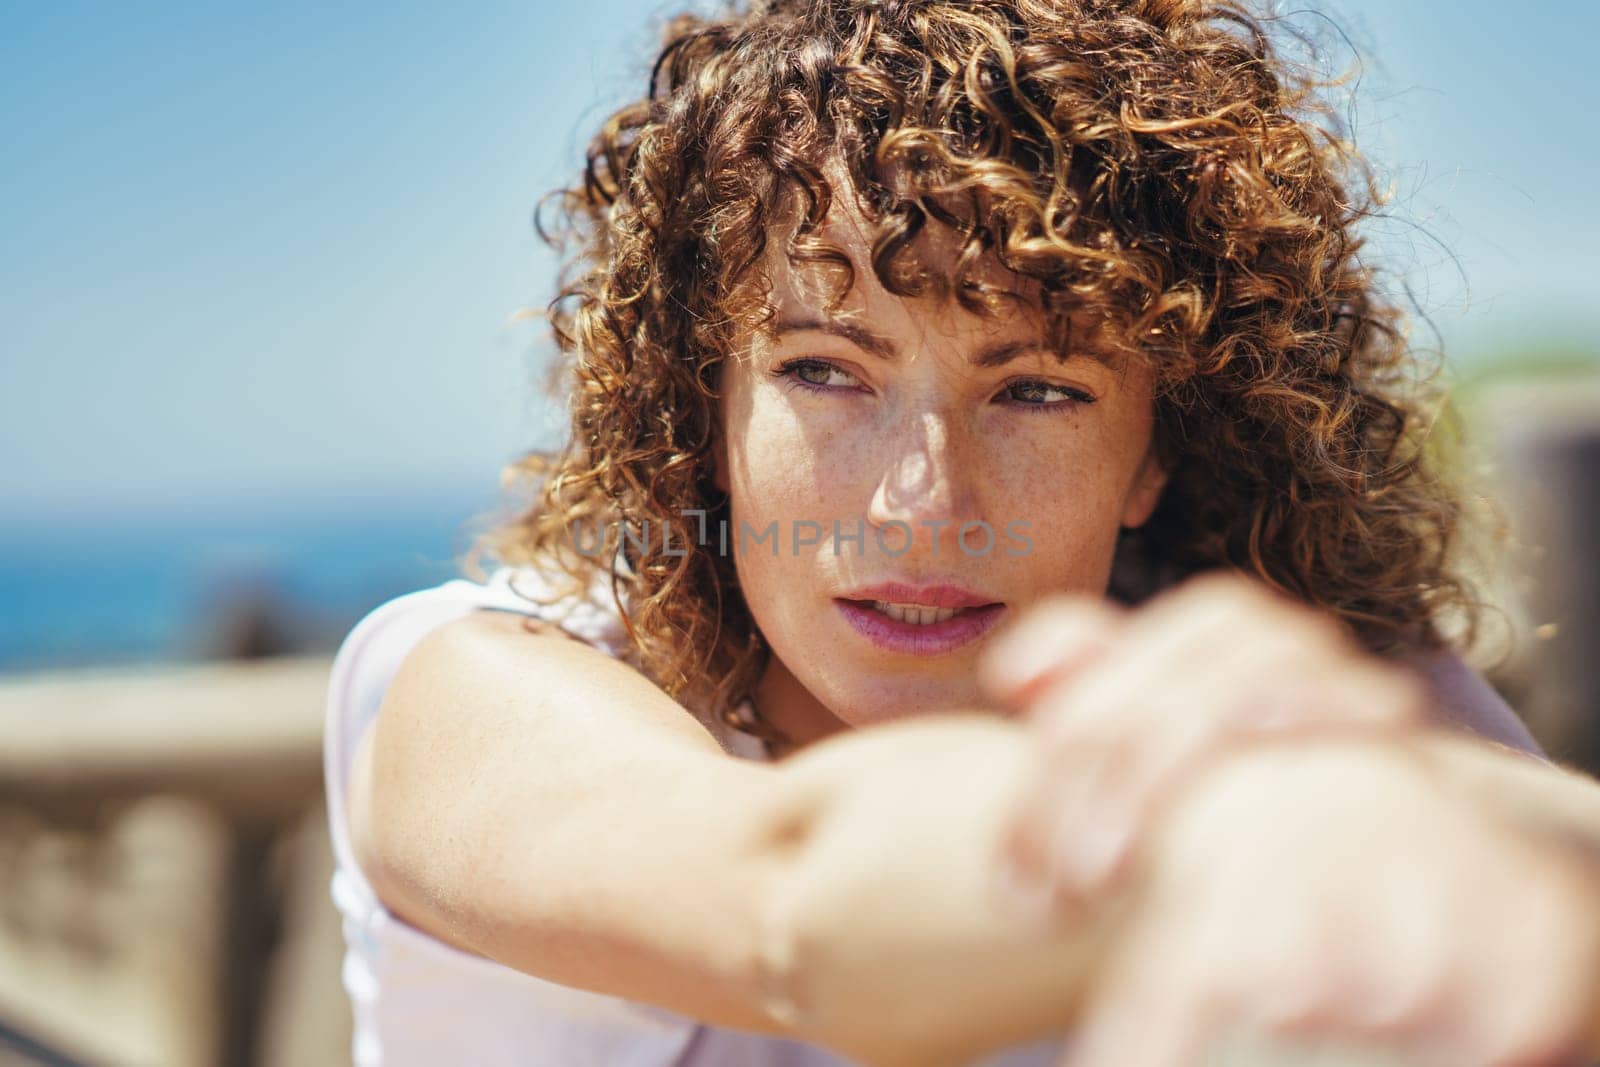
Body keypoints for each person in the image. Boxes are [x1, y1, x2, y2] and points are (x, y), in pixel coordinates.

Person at [322, 1, 1600, 1064]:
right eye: (827, 371)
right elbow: (787, 901)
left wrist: (1402, 792)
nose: (923, 505)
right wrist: (1255, 827)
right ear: (701, 404)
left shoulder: (1296, 690)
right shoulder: (463, 695)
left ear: (1157, 450)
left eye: (1036, 389)